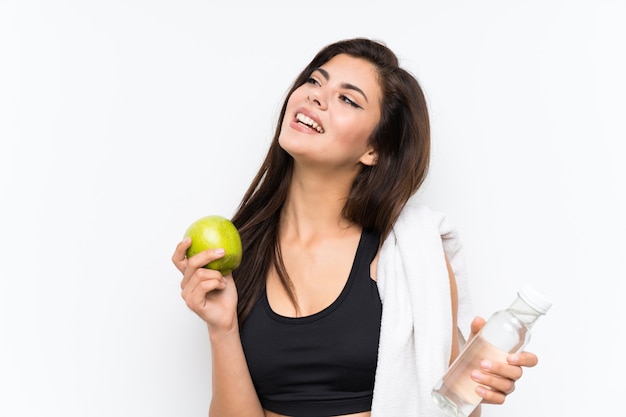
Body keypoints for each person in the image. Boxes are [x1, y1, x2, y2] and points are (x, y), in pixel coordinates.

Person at [172, 38, 539, 417]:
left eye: (348, 99)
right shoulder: (243, 251)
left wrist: (473, 383)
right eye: (315, 81)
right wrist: (222, 327)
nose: (316, 97)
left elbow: (449, 411)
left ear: (374, 149)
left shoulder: (412, 255)